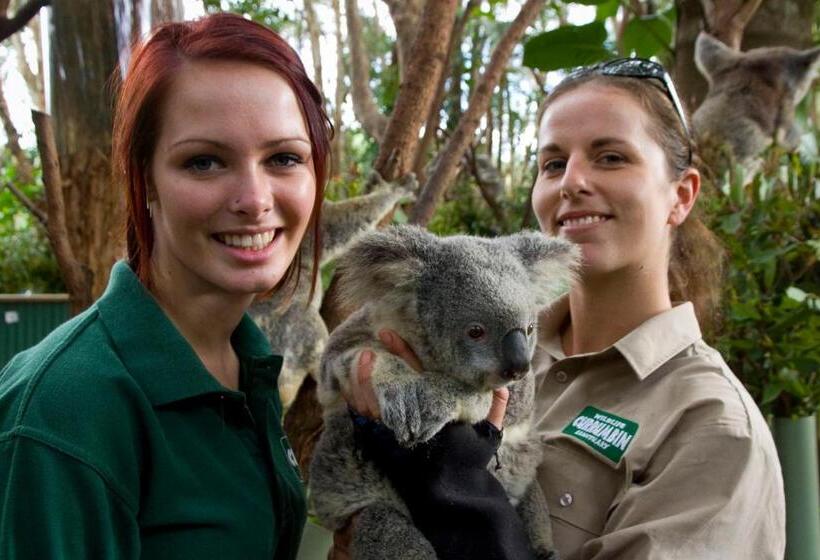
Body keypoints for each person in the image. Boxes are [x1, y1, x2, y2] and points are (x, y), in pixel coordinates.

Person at [335, 58, 785, 559]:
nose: (571, 181)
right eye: (552, 164)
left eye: (610, 157)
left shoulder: (710, 426)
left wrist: (450, 481)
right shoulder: (471, 338)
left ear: (681, 196)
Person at [0, 13, 331, 559]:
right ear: (144, 179)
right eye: (204, 161)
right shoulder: (64, 414)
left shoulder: (245, 366)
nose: (254, 198)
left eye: (283, 158)